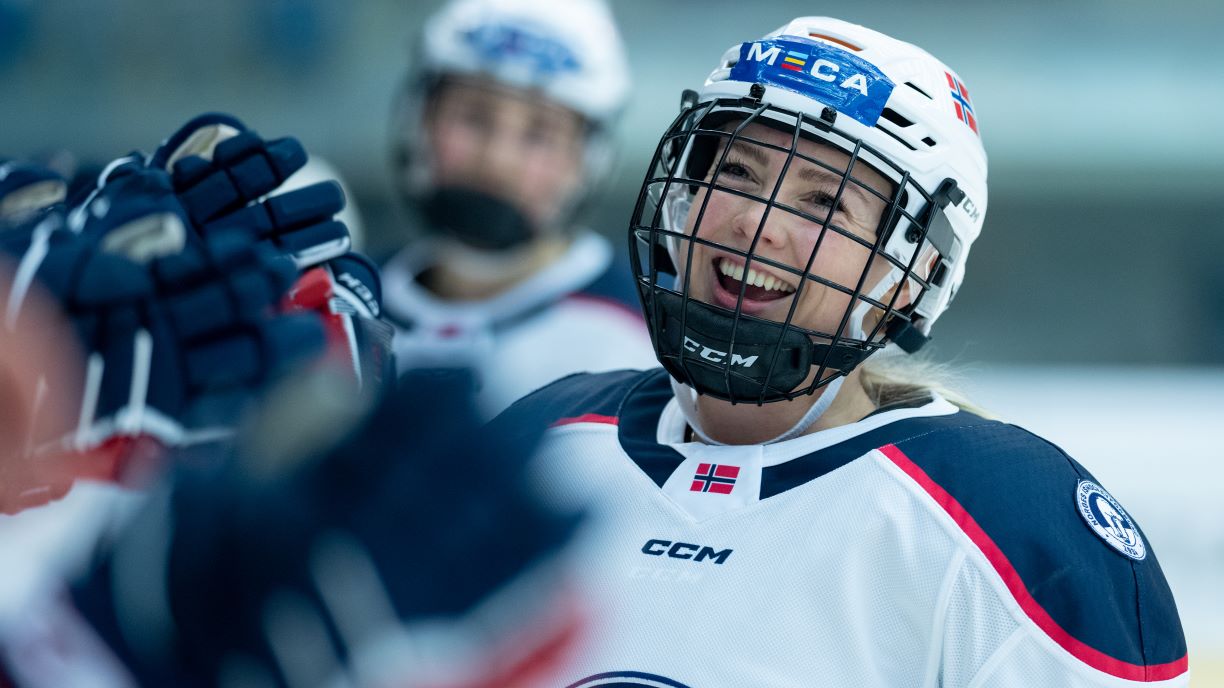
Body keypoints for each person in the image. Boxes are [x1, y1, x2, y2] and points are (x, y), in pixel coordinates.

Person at [491, 16, 1189, 687]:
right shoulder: (534, 444)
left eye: (826, 204)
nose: (756, 224)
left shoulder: (1013, 524)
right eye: (736, 172)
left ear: (909, 275)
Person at [381, 0, 656, 416]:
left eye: (540, 134)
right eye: (473, 117)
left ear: (588, 161)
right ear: (419, 120)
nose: (497, 159)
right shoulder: (338, 298)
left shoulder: (645, 340)